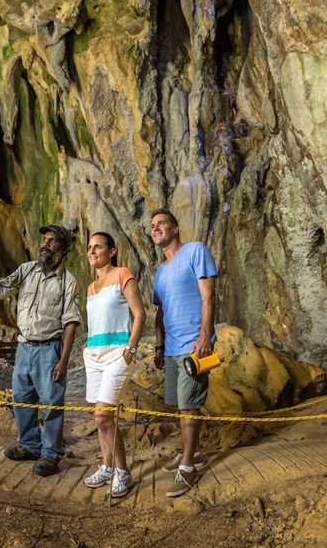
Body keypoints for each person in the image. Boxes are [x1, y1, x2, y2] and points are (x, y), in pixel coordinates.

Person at [0, 224, 80, 477]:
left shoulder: (68, 280)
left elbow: (71, 323)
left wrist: (63, 361)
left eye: (52, 241)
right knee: (22, 398)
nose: (45, 244)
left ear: (62, 249)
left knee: (52, 402)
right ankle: (30, 444)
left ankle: (52, 453)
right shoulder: (27, 270)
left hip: (49, 348)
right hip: (24, 346)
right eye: (44, 239)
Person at [150, 208, 218, 498]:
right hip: (172, 347)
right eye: (152, 226)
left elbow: (208, 295)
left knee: (188, 407)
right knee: (179, 405)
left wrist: (205, 335)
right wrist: (159, 344)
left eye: (161, 223)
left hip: (193, 344)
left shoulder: (195, 251)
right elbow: (160, 311)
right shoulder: (160, 271)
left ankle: (188, 466)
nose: (156, 228)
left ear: (176, 228)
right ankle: (194, 451)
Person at [82, 232, 145, 497]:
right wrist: (86, 345)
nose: (92, 252)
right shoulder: (91, 287)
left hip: (117, 353)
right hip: (93, 354)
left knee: (103, 415)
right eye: (89, 248)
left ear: (112, 251)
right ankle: (106, 466)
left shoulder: (122, 274)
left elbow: (140, 314)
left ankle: (123, 471)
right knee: (99, 419)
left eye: (98, 247)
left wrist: (131, 348)